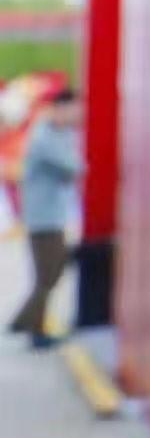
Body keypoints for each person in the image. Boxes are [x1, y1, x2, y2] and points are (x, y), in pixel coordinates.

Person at [6, 88, 83, 350]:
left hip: (52, 215)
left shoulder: (59, 134)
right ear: (60, 108)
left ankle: (25, 322)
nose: (78, 115)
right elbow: (74, 166)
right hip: (42, 218)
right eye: (74, 109)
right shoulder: (44, 136)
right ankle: (31, 326)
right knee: (49, 274)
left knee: (52, 271)